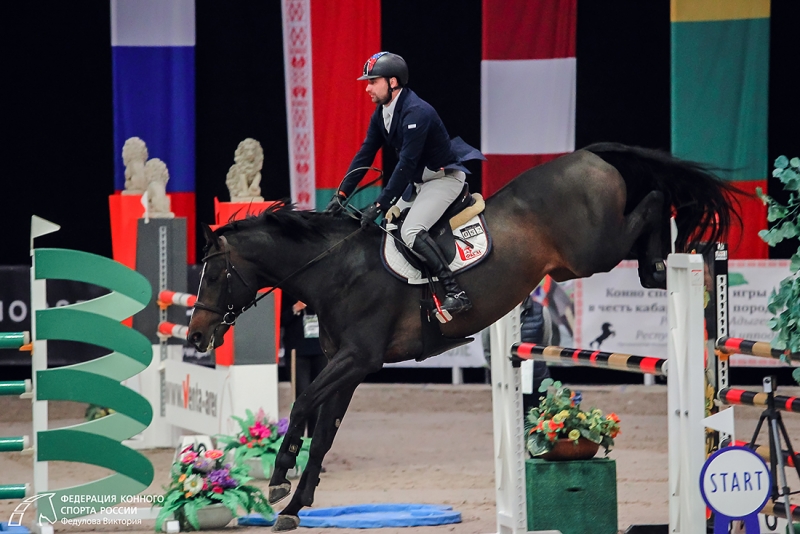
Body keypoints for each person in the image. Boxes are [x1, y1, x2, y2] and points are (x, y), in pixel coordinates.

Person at [324, 52, 483, 316]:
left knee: (411, 232)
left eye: (373, 81)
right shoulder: (381, 114)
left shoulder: (417, 112)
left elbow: (406, 165)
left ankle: (456, 292)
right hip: (419, 183)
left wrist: (379, 204)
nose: (367, 88)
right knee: (388, 226)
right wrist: (341, 194)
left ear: (393, 82)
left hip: (443, 180)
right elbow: (364, 155)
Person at [281, 297, 327, 437]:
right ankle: (297, 439)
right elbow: (279, 320)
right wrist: (295, 308)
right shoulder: (287, 292)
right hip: (297, 352)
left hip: (321, 350)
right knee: (302, 396)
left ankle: (314, 439)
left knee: (318, 397)